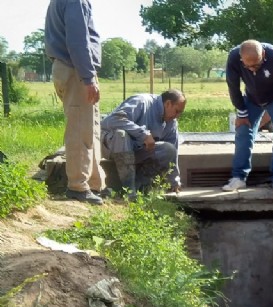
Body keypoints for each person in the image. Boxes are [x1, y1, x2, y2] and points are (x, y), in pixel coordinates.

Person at [45, 0, 105, 205]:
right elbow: (78, 40)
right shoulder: (75, 1)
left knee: (90, 128)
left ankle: (94, 183)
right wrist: (88, 77)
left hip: (71, 69)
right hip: (76, 70)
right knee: (80, 130)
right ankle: (78, 186)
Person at [222, 39, 273, 193]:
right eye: (248, 66)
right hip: (252, 99)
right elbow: (233, 85)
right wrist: (241, 112)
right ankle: (239, 177)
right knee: (242, 132)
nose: (253, 69)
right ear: (241, 59)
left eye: (257, 64)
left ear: (264, 54)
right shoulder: (234, 57)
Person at [100, 89, 185, 199]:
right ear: (168, 104)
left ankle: (137, 187)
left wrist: (174, 180)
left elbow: (173, 152)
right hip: (111, 146)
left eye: (180, 113)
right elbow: (112, 120)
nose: (177, 116)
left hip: (135, 151)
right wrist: (143, 134)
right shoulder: (141, 102)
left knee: (168, 149)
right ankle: (129, 191)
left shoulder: (171, 122)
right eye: (177, 111)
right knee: (121, 135)